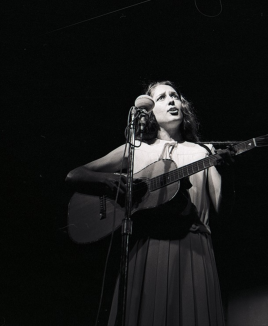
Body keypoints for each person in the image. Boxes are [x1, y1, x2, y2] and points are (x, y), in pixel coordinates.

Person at [66, 80, 229, 325]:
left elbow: (220, 208)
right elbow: (75, 175)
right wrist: (111, 181)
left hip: (194, 248)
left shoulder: (203, 152)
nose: (172, 100)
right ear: (149, 112)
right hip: (147, 249)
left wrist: (229, 174)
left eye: (175, 96)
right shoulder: (135, 150)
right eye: (162, 97)